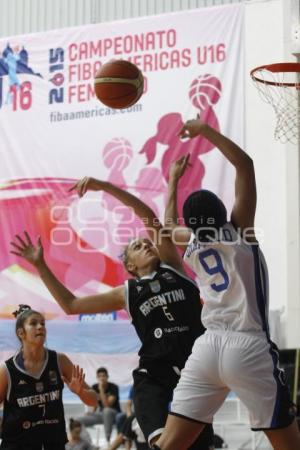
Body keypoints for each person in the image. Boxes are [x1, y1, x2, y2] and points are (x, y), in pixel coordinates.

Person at [10, 180, 214, 449]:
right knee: (162, 444)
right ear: (130, 265)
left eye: (146, 242)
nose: (146, 245)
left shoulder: (175, 268)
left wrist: (104, 187)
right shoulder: (127, 292)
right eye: (138, 247)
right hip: (154, 376)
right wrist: (40, 265)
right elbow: (71, 305)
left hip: (194, 371)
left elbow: (149, 217)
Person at [150, 119, 300, 450]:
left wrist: (173, 180)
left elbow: (169, 225)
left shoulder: (189, 244)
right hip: (247, 346)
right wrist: (204, 131)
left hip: (206, 349)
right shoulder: (240, 232)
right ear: (222, 211)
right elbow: (245, 164)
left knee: (170, 444)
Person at [0, 304, 98, 450]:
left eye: (43, 323)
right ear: (21, 333)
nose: (40, 327)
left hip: (53, 443)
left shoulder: (59, 360)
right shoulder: (6, 370)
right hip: (17, 444)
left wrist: (80, 392)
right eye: (33, 323)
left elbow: (94, 400)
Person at [75, 367, 125, 444]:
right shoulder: (94, 387)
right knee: (78, 420)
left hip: (114, 414)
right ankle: (88, 444)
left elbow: (107, 405)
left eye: (103, 376)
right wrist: (91, 413)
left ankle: (107, 441)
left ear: (107, 377)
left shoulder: (114, 387)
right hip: (101, 415)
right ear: (97, 377)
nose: (101, 378)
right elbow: (94, 403)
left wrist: (101, 389)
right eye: (99, 376)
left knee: (106, 411)